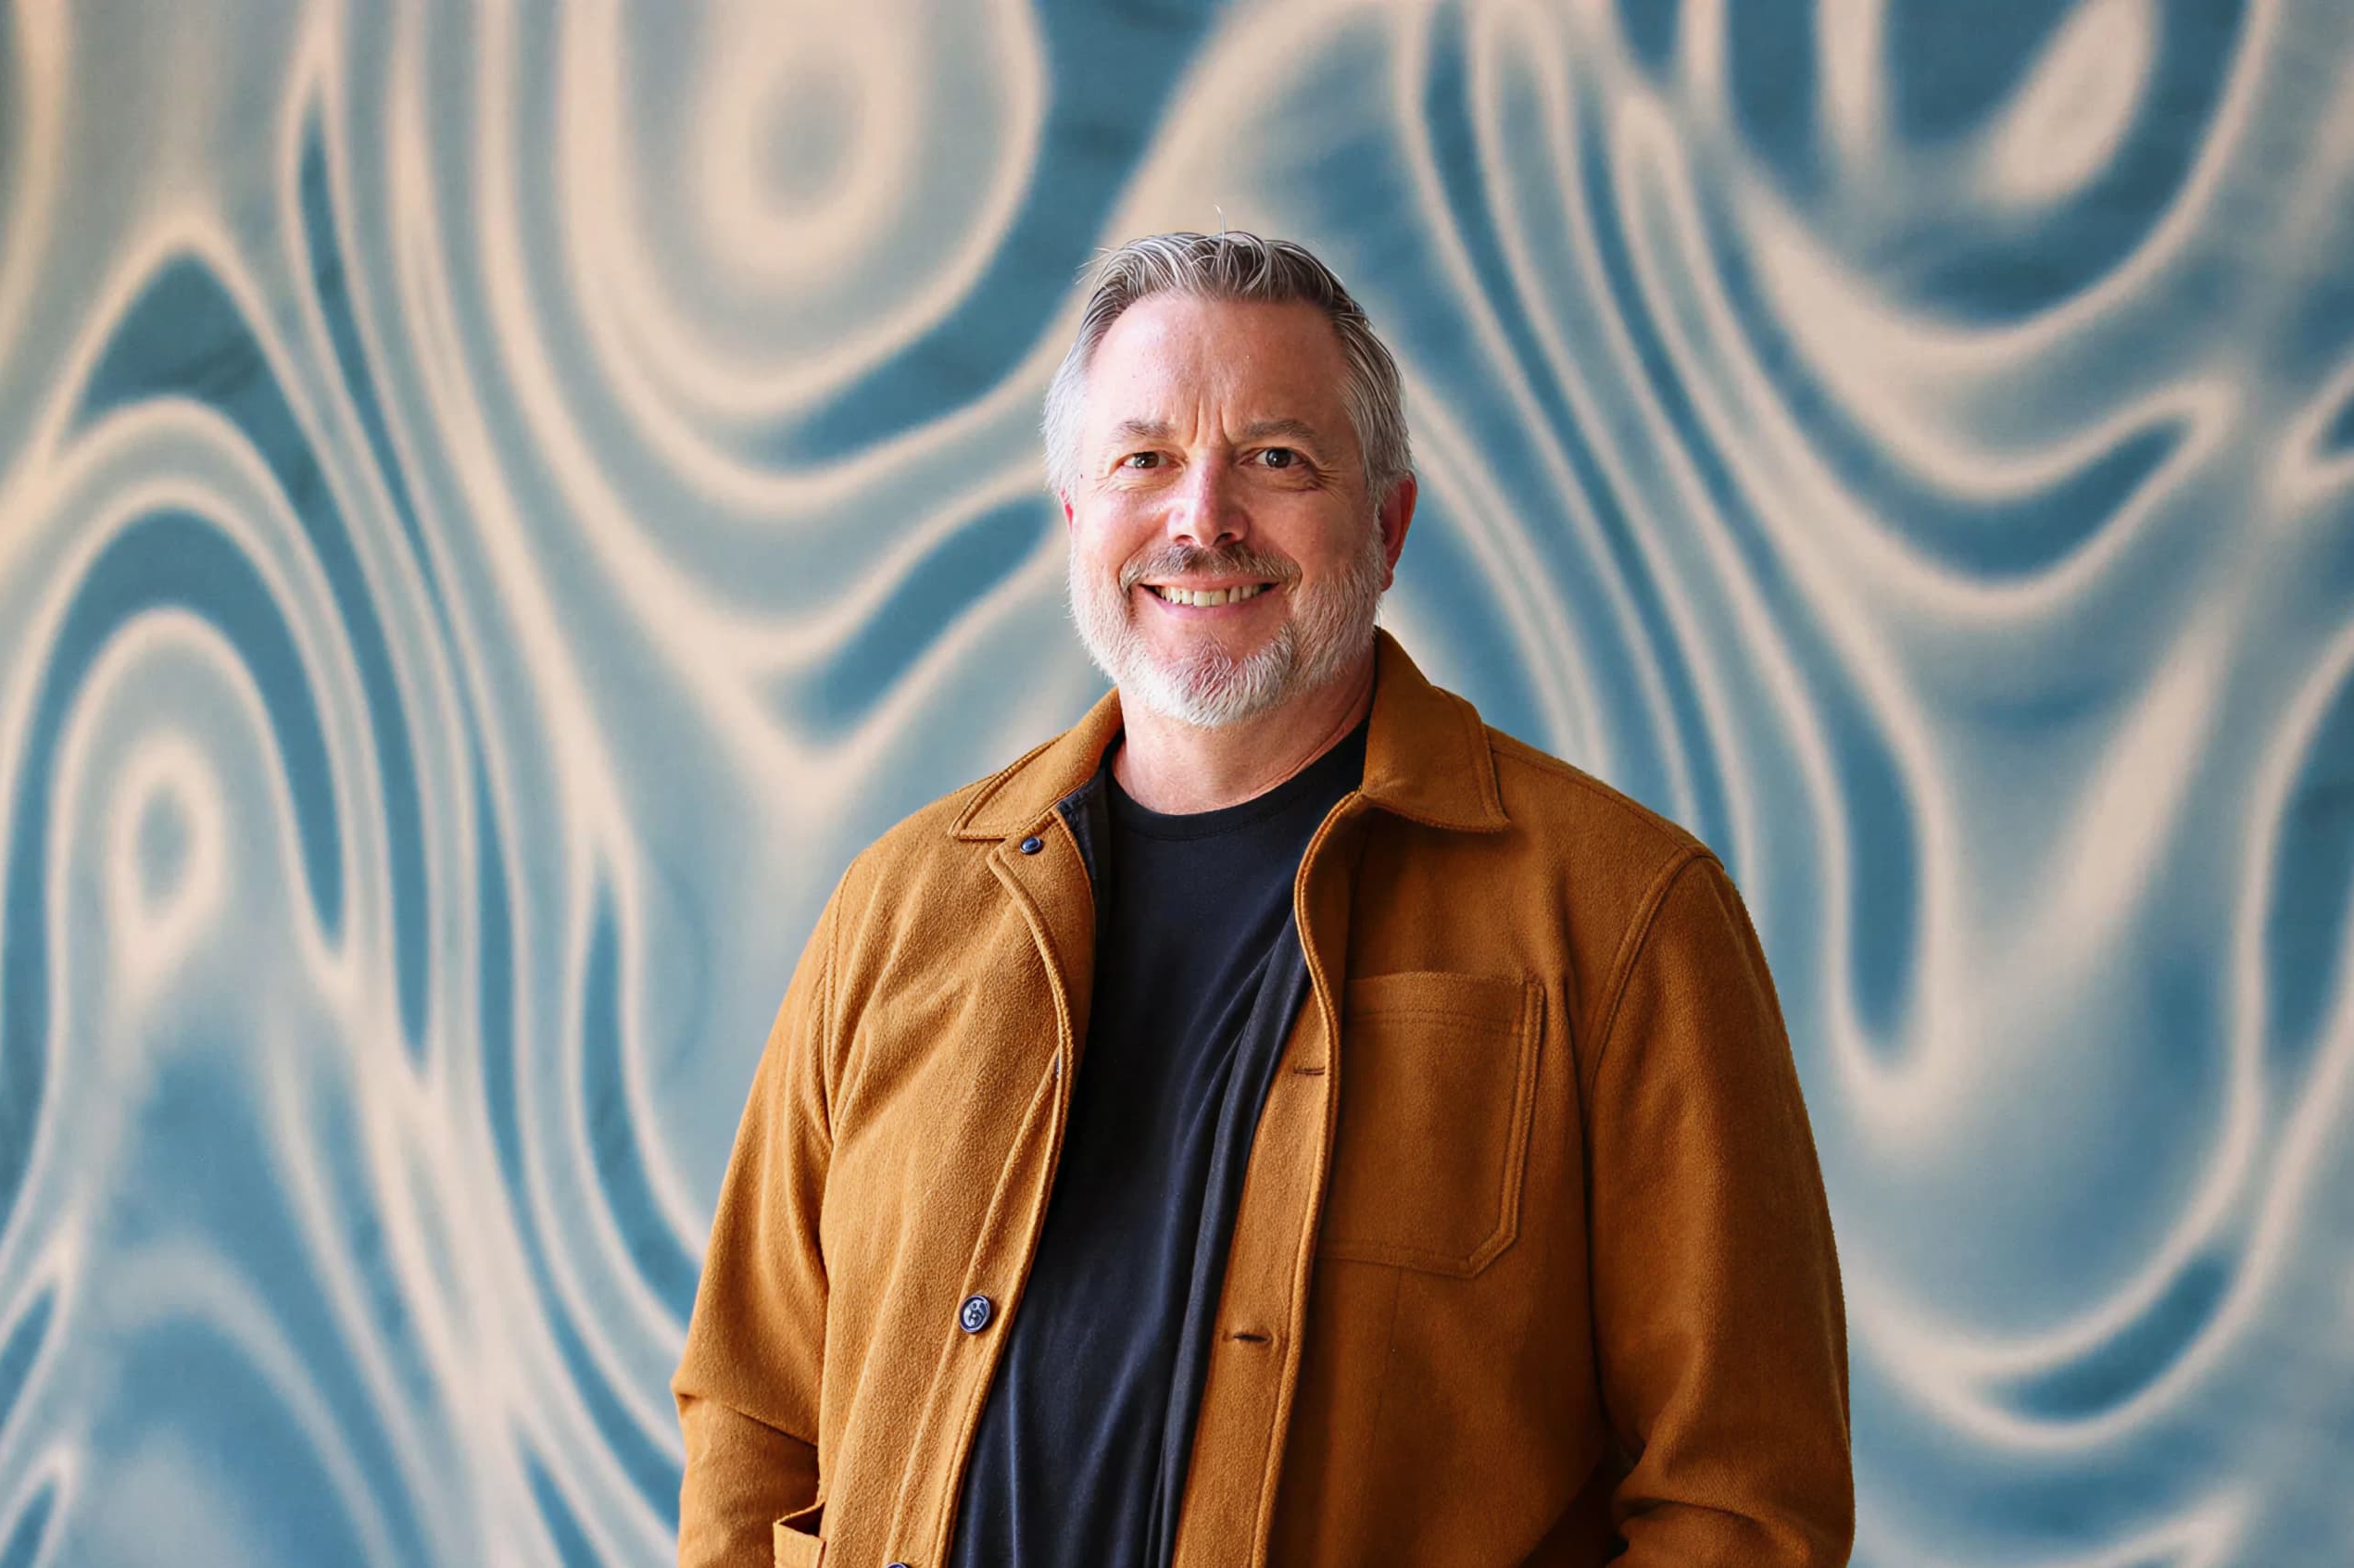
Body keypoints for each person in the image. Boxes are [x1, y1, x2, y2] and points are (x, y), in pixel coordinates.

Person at [672, 231, 1853, 1567]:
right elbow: (753, 1404)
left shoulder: (1629, 917)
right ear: (1077, 517)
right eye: (1145, 459)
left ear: (1389, 526)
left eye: (1277, 458)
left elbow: (1745, 1503)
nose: (1202, 518)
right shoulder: (897, 911)